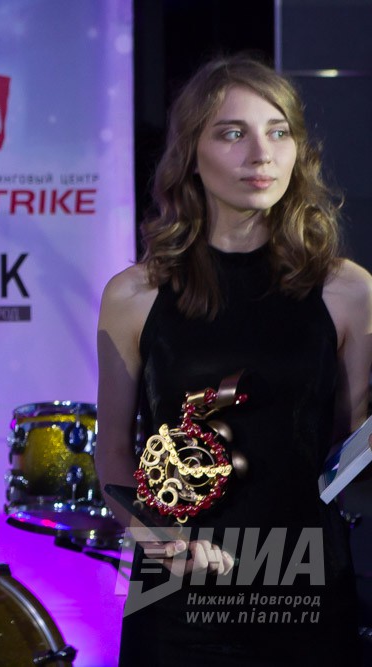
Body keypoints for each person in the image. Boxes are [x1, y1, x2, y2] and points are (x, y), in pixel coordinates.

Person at [95, 53, 372, 665]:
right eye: (232, 133)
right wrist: (154, 535)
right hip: (177, 604)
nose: (261, 154)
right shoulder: (135, 294)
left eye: (279, 132)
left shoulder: (348, 289)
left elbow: (353, 449)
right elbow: (113, 448)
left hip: (306, 594)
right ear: (190, 154)